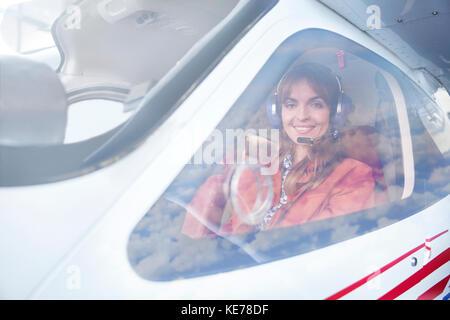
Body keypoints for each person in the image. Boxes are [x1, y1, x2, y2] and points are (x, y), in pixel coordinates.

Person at [182, 63, 377, 238]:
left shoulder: (353, 175)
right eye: (291, 105)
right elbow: (230, 231)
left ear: (335, 113)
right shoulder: (263, 167)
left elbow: (315, 248)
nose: (301, 116)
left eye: (316, 104)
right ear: (277, 112)